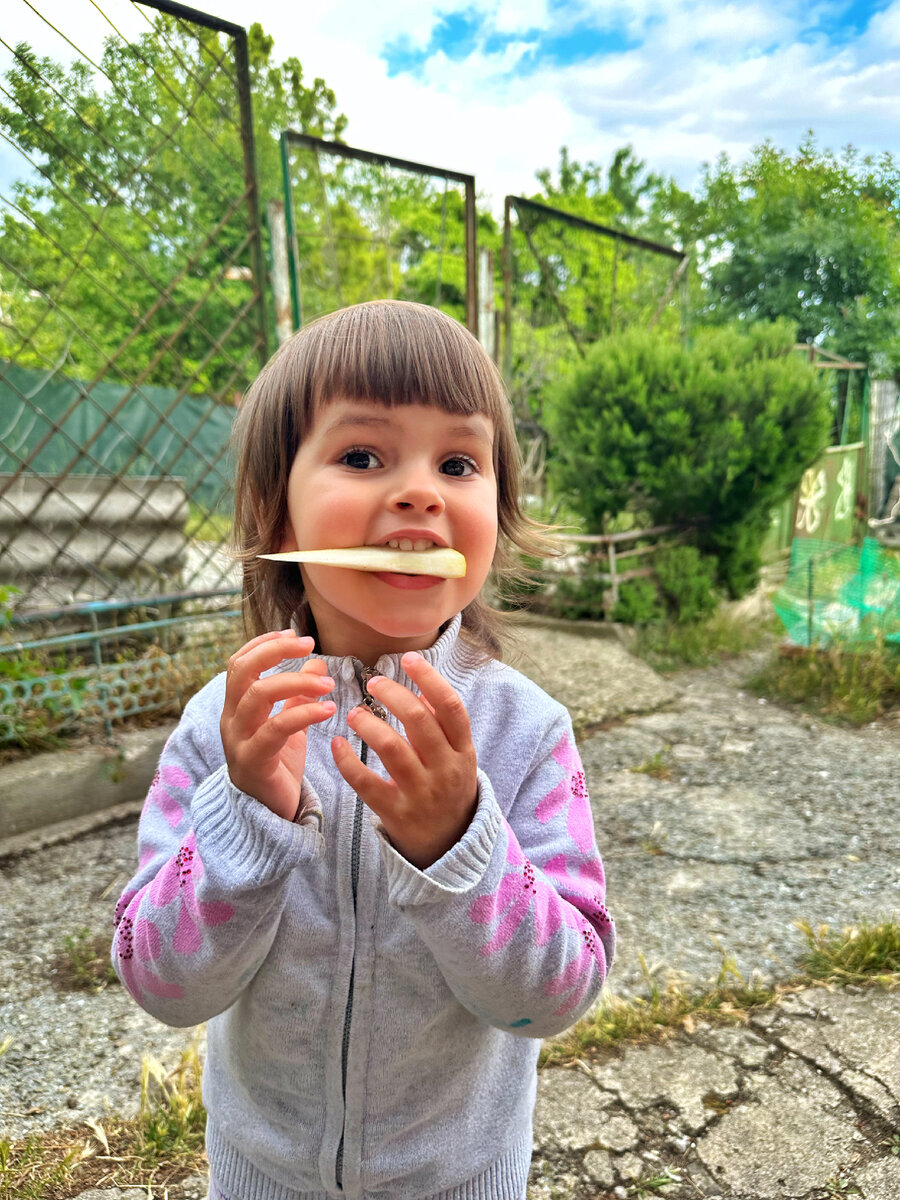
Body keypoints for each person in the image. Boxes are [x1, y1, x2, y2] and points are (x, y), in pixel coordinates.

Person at [112, 300, 614, 1200]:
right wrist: (248, 819)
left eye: (458, 463)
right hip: (262, 1175)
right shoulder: (222, 730)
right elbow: (162, 985)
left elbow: (558, 997)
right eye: (362, 456)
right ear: (277, 515)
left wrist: (460, 846)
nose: (421, 490)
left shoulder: (525, 734)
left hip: (457, 1178)